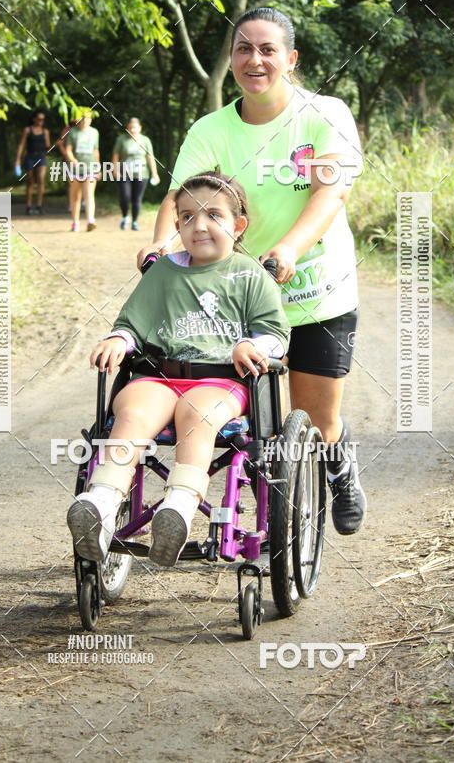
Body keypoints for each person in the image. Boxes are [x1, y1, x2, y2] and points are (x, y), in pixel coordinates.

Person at [138, 7, 366, 536]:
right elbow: (180, 196)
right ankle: (269, 516)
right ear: (232, 58)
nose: (255, 60)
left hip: (317, 289)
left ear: (291, 58)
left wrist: (287, 249)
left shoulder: (324, 114)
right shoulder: (211, 129)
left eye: (267, 49)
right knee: (257, 423)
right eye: (243, 49)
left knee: (317, 418)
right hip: (241, 294)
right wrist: (161, 245)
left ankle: (339, 463)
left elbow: (330, 192)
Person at [67, 171, 290, 567]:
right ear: (177, 226)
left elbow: (275, 333)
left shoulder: (250, 274)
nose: (199, 226)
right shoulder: (164, 271)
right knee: (132, 411)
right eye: (187, 217)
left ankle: (180, 506)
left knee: (196, 413)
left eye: (213, 215)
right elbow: (132, 323)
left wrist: (252, 345)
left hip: (221, 380)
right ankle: (101, 502)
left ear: (238, 225)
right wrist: (119, 340)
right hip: (161, 375)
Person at [112, 117, 160, 230]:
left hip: (142, 174)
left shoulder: (145, 140)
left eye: (135, 127)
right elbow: (115, 156)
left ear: (140, 128)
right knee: (125, 196)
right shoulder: (121, 140)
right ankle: (125, 217)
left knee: (137, 199)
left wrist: (154, 173)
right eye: (130, 127)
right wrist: (114, 170)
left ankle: (134, 221)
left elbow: (150, 157)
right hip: (124, 174)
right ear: (127, 128)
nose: (133, 130)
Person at [64, 111, 100, 232]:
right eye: (83, 118)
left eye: (87, 118)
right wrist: (73, 160)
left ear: (91, 120)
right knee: (76, 196)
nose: (85, 121)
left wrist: (98, 166)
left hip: (90, 167)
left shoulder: (94, 132)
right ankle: (75, 222)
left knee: (89, 194)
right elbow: (68, 150)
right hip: (75, 169)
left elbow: (96, 151)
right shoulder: (73, 132)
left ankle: (90, 220)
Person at [14, 111, 50, 214]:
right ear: (34, 119)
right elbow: (21, 144)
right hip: (30, 156)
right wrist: (18, 159)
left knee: (41, 179)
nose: (41, 121)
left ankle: (39, 205)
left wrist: (48, 148)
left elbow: (48, 145)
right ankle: (28, 206)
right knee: (30, 181)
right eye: (39, 119)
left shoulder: (45, 131)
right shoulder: (27, 130)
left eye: (43, 119)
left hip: (41, 157)